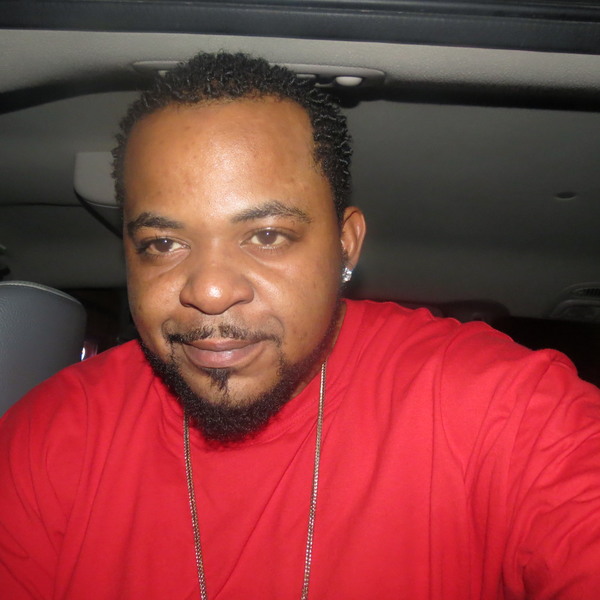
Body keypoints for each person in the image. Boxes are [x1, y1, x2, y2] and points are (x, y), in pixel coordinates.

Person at [1, 52, 599, 600]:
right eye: (163, 243)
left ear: (346, 245)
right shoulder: (52, 437)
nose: (209, 291)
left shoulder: (497, 406)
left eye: (266, 236)